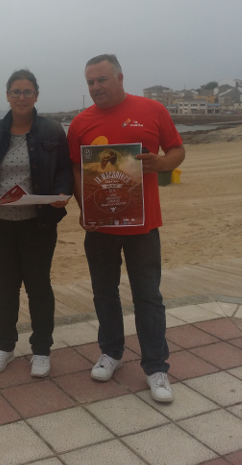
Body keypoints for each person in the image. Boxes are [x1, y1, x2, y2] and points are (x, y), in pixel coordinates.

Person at [67, 54, 185, 402]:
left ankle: (156, 367)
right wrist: (83, 208)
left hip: (143, 226)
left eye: (101, 80)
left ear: (120, 77)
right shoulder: (79, 123)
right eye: (90, 82)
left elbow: (177, 151)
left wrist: (162, 163)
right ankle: (112, 353)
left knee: (148, 296)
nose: (95, 87)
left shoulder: (152, 111)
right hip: (100, 227)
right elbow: (76, 169)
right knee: (104, 293)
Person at [0, 69, 73, 377]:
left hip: (38, 222)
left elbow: (65, 171)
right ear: (7, 95)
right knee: (6, 285)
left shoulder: (52, 131)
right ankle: (4, 346)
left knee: (38, 286)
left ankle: (41, 349)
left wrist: (62, 193)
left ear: (36, 96)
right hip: (0, 223)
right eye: (15, 91)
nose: (21, 97)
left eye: (27, 92)